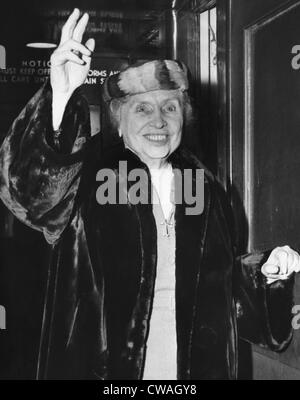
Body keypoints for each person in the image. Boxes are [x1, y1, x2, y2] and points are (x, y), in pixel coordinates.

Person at [0, 8, 300, 380]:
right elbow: (30, 195)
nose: (158, 121)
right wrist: (60, 95)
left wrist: (264, 273)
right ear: (119, 123)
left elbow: (223, 296)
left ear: (183, 118)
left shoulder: (207, 190)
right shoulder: (87, 176)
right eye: (142, 108)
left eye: (170, 107)